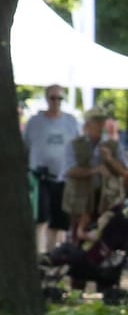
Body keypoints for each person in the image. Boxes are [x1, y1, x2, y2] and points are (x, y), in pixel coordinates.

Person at [23, 85, 81, 252]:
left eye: (59, 98)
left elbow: (78, 148)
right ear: (47, 99)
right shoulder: (34, 122)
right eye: (52, 98)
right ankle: (37, 253)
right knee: (40, 218)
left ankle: (52, 253)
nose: (56, 102)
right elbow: (25, 147)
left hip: (63, 177)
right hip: (39, 177)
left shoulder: (71, 122)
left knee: (58, 220)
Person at [63, 108, 128, 240]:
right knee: (77, 234)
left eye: (102, 121)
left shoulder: (114, 146)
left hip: (106, 199)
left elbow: (126, 172)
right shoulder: (74, 145)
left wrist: (110, 160)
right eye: (96, 121)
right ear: (87, 124)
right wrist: (95, 170)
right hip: (80, 199)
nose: (100, 125)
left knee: (105, 234)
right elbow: (68, 170)